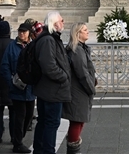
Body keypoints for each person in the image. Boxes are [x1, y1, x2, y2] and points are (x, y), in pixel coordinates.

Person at [32, 12, 70, 154]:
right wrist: (64, 76)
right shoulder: (48, 40)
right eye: (62, 21)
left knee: (44, 122)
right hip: (52, 90)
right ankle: (47, 151)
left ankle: (40, 150)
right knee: (51, 123)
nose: (63, 23)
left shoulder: (49, 39)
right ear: (55, 24)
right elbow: (49, 66)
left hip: (48, 89)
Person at [0, 23, 35, 154]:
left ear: (29, 33)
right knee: (19, 116)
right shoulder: (12, 46)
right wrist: (11, 82)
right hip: (17, 89)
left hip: (30, 88)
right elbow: (5, 66)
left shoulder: (33, 46)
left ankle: (18, 138)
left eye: (24, 32)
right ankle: (17, 142)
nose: (22, 34)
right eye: (20, 31)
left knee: (29, 115)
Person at [62, 23, 96, 154]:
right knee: (77, 120)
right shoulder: (77, 50)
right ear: (78, 34)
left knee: (80, 120)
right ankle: (73, 150)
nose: (88, 32)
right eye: (85, 30)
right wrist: (91, 87)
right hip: (79, 91)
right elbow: (82, 73)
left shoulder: (81, 49)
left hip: (80, 90)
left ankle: (74, 148)